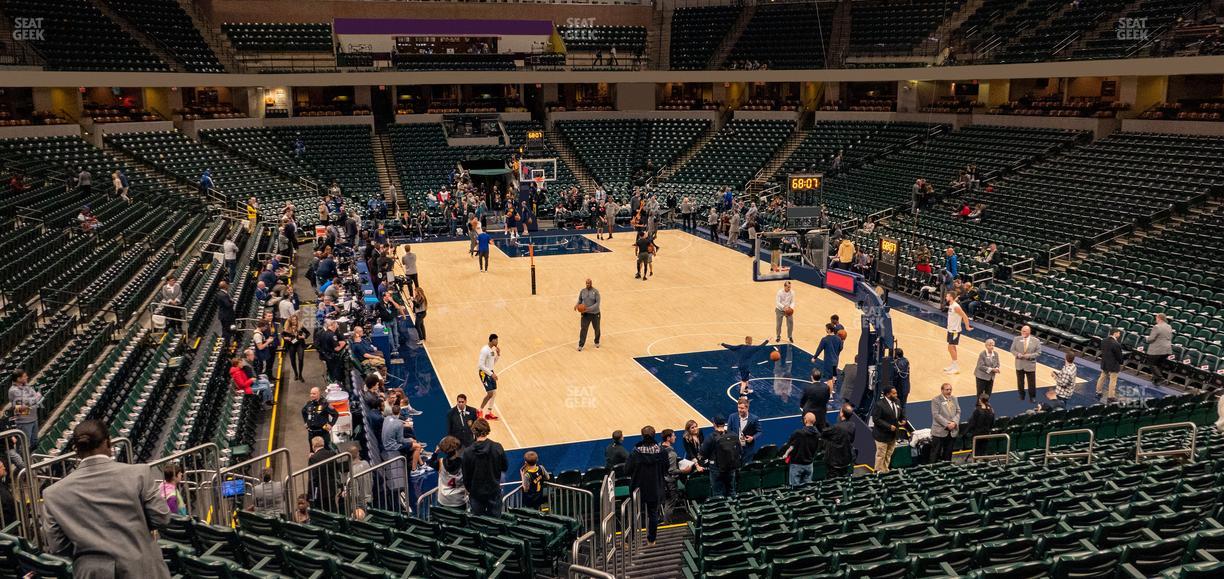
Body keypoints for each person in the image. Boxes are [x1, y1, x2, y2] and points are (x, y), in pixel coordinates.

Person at [42, 420, 172, 579]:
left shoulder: (53, 494)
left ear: (76, 450)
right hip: (142, 569)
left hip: (91, 573)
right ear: (108, 443)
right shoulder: (139, 474)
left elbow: (58, 547)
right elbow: (162, 518)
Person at [626, 426, 667, 545]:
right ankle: (651, 540)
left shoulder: (635, 452)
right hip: (655, 487)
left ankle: (629, 540)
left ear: (642, 436)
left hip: (638, 488)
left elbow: (627, 470)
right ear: (655, 435)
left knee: (633, 514)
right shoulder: (661, 451)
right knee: (653, 513)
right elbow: (666, 468)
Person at [461, 418, 507, 516]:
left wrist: (470, 490)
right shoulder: (497, 447)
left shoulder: (467, 452)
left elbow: (466, 476)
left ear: (474, 432)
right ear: (487, 431)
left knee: (478, 522)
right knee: (495, 522)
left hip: (475, 493)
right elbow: (504, 467)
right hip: (493, 490)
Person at [700, 416, 740, 497]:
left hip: (716, 469)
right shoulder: (733, 435)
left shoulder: (711, 437)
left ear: (714, 424)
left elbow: (703, 453)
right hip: (731, 468)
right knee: (731, 491)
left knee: (718, 493)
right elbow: (740, 450)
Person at [871, 386, 906, 473]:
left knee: (888, 454)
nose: (896, 395)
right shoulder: (879, 404)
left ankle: (885, 470)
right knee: (881, 455)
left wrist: (903, 419)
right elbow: (876, 419)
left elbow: (901, 412)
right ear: (887, 394)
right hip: (882, 435)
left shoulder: (897, 401)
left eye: (896, 393)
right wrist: (889, 426)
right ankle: (878, 472)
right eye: (894, 393)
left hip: (893, 435)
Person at [780, 412, 822, 486]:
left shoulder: (798, 433)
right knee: (807, 489)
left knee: (795, 490)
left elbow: (791, 446)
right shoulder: (818, 434)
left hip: (797, 465)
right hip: (809, 465)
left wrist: (785, 454)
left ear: (805, 420)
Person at [8, 370, 41, 450]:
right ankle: (22, 462)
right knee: (24, 446)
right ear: (19, 379)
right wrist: (35, 398)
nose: (27, 377)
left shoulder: (26, 386)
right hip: (24, 421)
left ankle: (31, 460)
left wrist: (33, 399)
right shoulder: (13, 390)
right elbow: (27, 402)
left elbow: (33, 397)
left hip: (33, 418)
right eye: (25, 376)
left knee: (34, 442)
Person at [306, 436, 341, 512]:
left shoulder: (313, 459)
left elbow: (313, 478)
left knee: (321, 510)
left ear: (313, 446)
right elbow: (337, 469)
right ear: (323, 444)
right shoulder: (332, 454)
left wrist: (310, 494)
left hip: (320, 491)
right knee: (332, 507)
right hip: (332, 487)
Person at [823, 404, 856, 478]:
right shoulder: (852, 425)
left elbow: (824, 432)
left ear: (842, 414)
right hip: (845, 460)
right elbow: (852, 440)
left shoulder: (837, 428)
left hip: (835, 462)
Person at [930, 383, 960, 462]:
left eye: (950, 389)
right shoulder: (936, 400)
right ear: (942, 390)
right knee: (935, 453)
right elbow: (936, 415)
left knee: (948, 453)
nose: (949, 391)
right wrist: (947, 424)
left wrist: (954, 422)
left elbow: (958, 411)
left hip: (952, 431)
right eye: (947, 390)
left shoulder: (954, 398)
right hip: (939, 432)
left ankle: (947, 469)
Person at [944, 291, 973, 374]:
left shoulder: (956, 307)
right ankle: (953, 365)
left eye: (947, 296)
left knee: (950, 347)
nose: (946, 297)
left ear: (951, 297)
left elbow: (964, 316)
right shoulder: (951, 305)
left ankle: (955, 367)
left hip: (955, 330)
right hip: (950, 329)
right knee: (952, 347)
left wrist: (967, 327)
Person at [1010, 325, 1041, 401]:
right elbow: (1012, 350)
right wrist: (1017, 354)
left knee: (1032, 383)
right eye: (1022, 331)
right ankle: (1021, 395)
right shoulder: (1016, 339)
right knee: (1020, 382)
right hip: (1019, 364)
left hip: (1030, 365)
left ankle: (1032, 397)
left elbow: (1038, 353)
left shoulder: (1036, 341)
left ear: (1029, 332)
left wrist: (1029, 356)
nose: (1022, 332)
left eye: (1024, 331)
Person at [727, 398, 761, 465]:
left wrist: (753, 438)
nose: (740, 410)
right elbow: (729, 431)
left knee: (746, 468)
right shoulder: (732, 417)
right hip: (735, 447)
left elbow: (759, 432)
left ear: (747, 408)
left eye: (742, 408)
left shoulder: (754, 419)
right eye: (738, 408)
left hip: (748, 449)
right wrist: (735, 440)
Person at [1144, 313, 1173, 385]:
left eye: (1156, 318)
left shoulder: (1157, 327)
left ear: (1159, 318)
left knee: (1151, 363)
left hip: (1158, 349)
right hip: (1167, 349)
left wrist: (1147, 338)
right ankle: (1156, 380)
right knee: (1158, 364)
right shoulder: (1169, 326)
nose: (1155, 319)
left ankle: (1160, 378)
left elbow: (1151, 339)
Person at [477, 333, 500, 420]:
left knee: (494, 393)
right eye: (496, 340)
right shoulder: (484, 350)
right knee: (490, 393)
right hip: (484, 373)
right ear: (492, 340)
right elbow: (481, 365)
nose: (497, 342)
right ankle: (480, 410)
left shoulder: (492, 350)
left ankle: (488, 413)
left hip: (490, 371)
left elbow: (493, 363)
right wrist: (491, 374)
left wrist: (498, 354)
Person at [315, 319, 347, 384]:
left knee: (331, 373)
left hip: (327, 356)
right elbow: (337, 348)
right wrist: (343, 343)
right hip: (333, 358)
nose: (337, 327)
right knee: (336, 375)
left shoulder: (324, 333)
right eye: (336, 325)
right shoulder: (332, 335)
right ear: (333, 325)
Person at [1097, 328, 1124, 402]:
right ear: (1115, 333)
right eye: (1119, 333)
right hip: (1113, 365)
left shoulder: (1104, 341)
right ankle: (1111, 396)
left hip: (1105, 362)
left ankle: (1098, 391)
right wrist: (1121, 362)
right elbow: (1119, 356)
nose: (1119, 334)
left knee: (1102, 377)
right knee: (1113, 381)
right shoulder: (1116, 344)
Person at [576, 278, 601, 351]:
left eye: (589, 283)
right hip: (585, 314)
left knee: (597, 328)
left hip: (595, 314)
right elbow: (580, 300)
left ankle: (597, 341)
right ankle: (581, 345)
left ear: (591, 283)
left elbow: (597, 304)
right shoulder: (582, 291)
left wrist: (588, 309)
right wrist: (577, 305)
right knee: (583, 329)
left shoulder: (595, 292)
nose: (587, 284)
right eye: (586, 283)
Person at [282, 314, 309, 383]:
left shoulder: (300, 326)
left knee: (301, 359)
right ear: (290, 320)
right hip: (291, 345)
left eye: (295, 319)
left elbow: (308, 333)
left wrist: (303, 337)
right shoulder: (287, 327)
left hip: (300, 344)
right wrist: (286, 338)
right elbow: (282, 335)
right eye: (293, 320)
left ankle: (300, 375)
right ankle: (296, 374)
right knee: (292, 360)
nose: (294, 321)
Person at [216, 280, 236, 347]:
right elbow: (228, 305)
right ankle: (227, 344)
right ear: (225, 286)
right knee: (227, 329)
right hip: (226, 315)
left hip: (224, 315)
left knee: (225, 329)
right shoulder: (223, 295)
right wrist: (232, 302)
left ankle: (225, 343)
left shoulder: (220, 293)